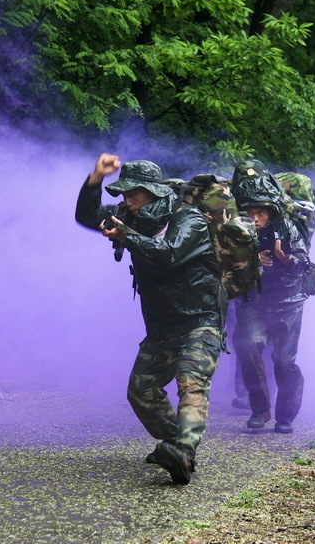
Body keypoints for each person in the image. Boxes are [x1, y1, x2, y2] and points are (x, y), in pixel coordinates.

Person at [75, 154, 226, 485]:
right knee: (140, 390)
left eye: (134, 194)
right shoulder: (132, 217)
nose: (128, 201)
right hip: (161, 328)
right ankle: (177, 444)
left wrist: (126, 236)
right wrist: (96, 178)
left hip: (201, 321)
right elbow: (87, 216)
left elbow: (170, 253)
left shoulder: (190, 219)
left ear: (154, 192)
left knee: (191, 381)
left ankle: (183, 454)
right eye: (125, 195)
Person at [233, 195, 310, 434]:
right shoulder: (237, 229)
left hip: (287, 301)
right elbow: (223, 258)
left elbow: (303, 257)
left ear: (271, 213)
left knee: (284, 360)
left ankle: (285, 416)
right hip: (253, 299)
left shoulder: (288, 227)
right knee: (248, 346)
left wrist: (285, 258)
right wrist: (251, 259)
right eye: (251, 213)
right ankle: (259, 410)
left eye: (261, 213)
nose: (255, 219)